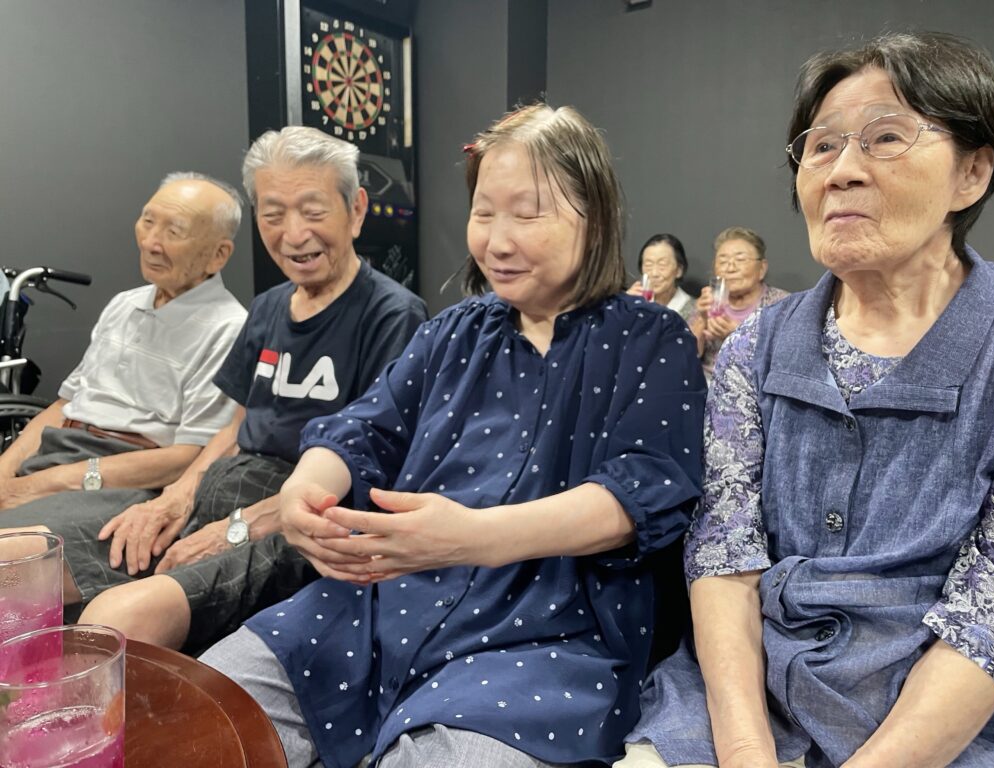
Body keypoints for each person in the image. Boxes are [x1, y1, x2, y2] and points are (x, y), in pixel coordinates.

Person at [197, 104, 705, 768]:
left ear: (596, 217)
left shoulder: (651, 338)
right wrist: (304, 489)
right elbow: (363, 428)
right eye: (483, 213)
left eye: (527, 214)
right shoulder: (452, 331)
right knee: (202, 711)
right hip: (379, 604)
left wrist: (474, 536)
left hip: (549, 636)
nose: (497, 241)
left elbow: (643, 489)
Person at [620, 31, 994, 768]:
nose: (841, 172)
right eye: (822, 145)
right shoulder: (755, 346)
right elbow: (723, 555)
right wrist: (746, 751)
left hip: (945, 727)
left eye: (886, 138)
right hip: (746, 696)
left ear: (971, 172)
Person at [5, 128, 427, 651]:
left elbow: (367, 465)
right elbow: (237, 423)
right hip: (217, 495)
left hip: (293, 521)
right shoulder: (269, 307)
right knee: (17, 570)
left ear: (356, 210)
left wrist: (234, 528)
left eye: (313, 211)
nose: (293, 234)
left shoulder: (393, 316)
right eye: (273, 214)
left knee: (118, 619)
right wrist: (175, 501)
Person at [0, 172, 246, 522]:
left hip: (127, 481)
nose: (151, 243)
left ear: (218, 255)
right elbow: (66, 404)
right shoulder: (124, 304)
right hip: (58, 453)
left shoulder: (229, 329)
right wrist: (5, 471)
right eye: (148, 221)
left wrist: (45, 483)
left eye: (174, 232)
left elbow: (188, 456)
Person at [687, 227, 787, 382]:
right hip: (707, 384)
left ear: (762, 268)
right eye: (723, 261)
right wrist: (700, 320)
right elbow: (687, 355)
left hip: (756, 386)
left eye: (740, 260)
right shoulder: (708, 301)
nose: (730, 268)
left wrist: (738, 335)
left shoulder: (782, 305)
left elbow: (786, 359)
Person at [628, 234, 697, 318]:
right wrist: (625, 306)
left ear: (679, 270)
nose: (654, 273)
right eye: (648, 265)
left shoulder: (695, 312)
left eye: (662, 264)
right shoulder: (632, 303)